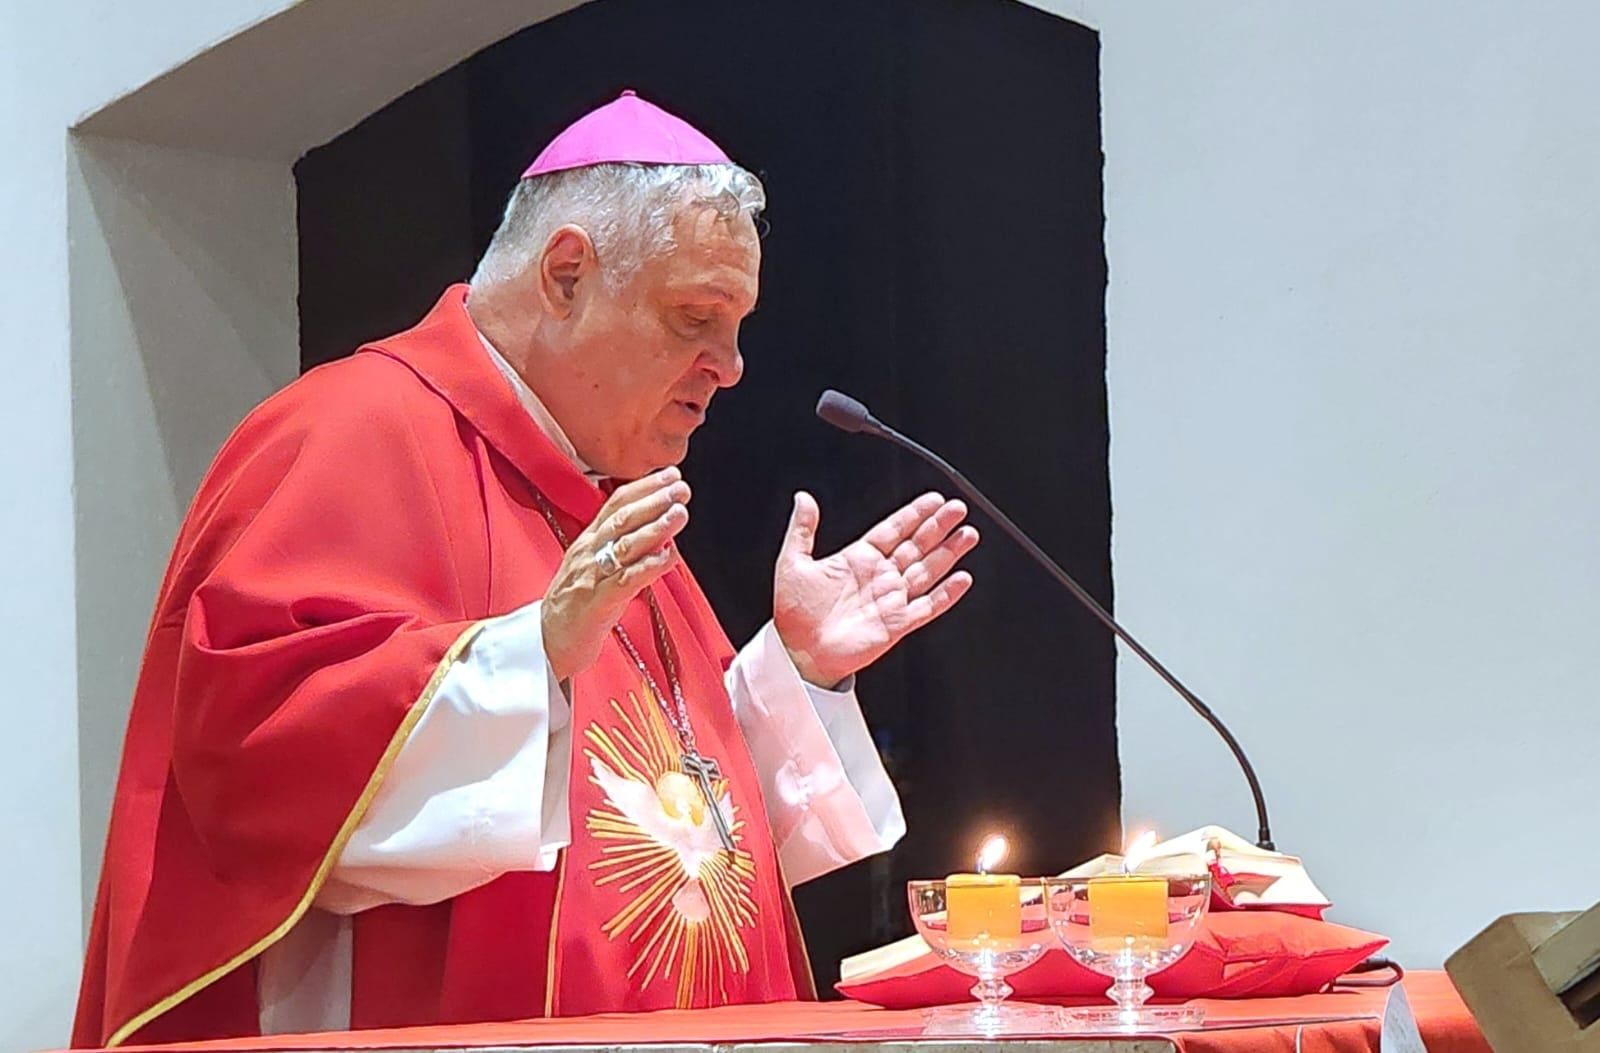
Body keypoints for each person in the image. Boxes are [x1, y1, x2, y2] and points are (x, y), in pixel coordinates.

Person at [73, 90, 978, 1046]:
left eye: (738, 324)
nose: (732, 363)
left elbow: (662, 835)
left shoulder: (600, 493)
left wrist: (798, 670)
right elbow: (259, 766)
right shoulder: (350, 433)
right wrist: (532, 650)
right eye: (694, 317)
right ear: (566, 273)